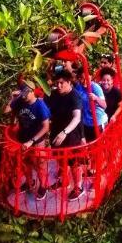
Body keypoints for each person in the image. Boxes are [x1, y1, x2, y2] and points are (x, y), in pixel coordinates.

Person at [3, 79, 50, 200]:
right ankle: (30, 183)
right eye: (22, 93)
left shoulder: (40, 106)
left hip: (37, 141)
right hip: (22, 138)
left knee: (40, 164)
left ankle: (43, 186)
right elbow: (5, 111)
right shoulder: (19, 101)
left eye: (25, 94)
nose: (23, 97)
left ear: (32, 92)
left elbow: (46, 127)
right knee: (26, 163)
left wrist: (32, 141)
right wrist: (12, 98)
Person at [46, 69, 85, 201]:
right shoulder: (55, 94)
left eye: (62, 83)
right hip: (57, 132)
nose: (59, 86)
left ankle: (78, 187)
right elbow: (43, 103)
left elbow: (77, 117)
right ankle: (64, 181)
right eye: (58, 83)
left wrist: (64, 132)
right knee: (60, 159)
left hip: (71, 134)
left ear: (69, 82)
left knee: (74, 161)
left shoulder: (75, 96)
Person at [74, 65, 107, 142]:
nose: (84, 80)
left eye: (86, 77)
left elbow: (104, 105)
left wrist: (96, 98)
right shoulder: (78, 87)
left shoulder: (95, 87)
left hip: (98, 122)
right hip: (86, 122)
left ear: (91, 76)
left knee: (99, 144)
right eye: (82, 78)